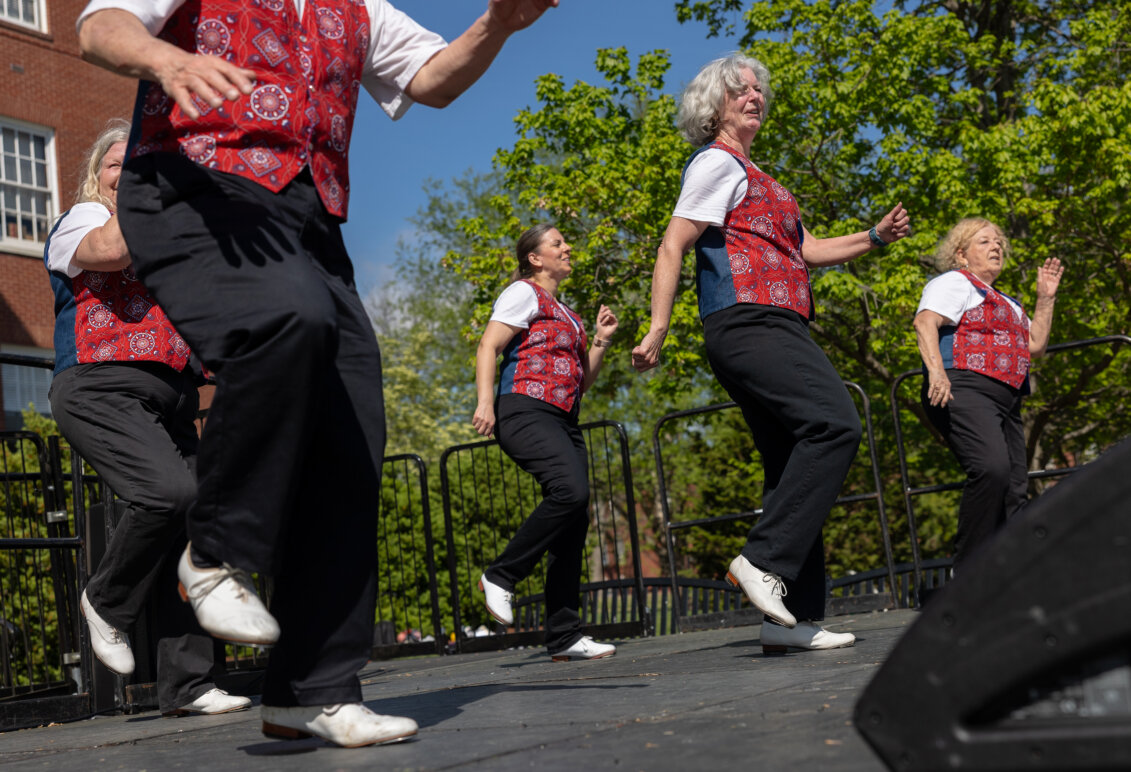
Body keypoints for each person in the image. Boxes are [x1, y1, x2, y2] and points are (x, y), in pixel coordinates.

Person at [76, 0, 560, 747]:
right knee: (287, 317)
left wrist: (496, 22)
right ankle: (215, 552)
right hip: (191, 185)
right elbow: (97, 26)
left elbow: (430, 78)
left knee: (351, 431)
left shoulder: (357, 7)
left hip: (305, 222)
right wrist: (165, 59)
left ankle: (312, 691)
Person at [632, 53, 910, 654]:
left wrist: (875, 236)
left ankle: (791, 620)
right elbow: (673, 244)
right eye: (741, 90)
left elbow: (807, 250)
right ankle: (761, 559)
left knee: (790, 466)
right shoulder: (716, 163)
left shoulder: (759, 176)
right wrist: (658, 327)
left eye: (759, 89)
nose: (754, 95)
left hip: (777, 322)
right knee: (835, 424)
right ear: (715, 106)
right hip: (749, 321)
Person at [44, 123, 250, 718]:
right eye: (117, 165)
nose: (127, 173)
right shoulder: (81, 221)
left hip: (172, 396)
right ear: (97, 177)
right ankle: (106, 601)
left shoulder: (172, 244)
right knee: (167, 492)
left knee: (196, 528)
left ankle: (189, 685)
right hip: (100, 384)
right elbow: (111, 253)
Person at [472, 224, 619, 662]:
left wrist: (600, 341)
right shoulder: (523, 293)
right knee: (569, 491)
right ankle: (501, 576)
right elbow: (488, 346)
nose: (567, 247)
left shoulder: (567, 313)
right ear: (535, 258)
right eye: (557, 243)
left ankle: (565, 635)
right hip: (524, 410)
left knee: (574, 517)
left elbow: (581, 382)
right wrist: (486, 403)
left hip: (563, 418)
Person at [914, 218, 1062, 568]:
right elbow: (925, 322)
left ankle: (1014, 573)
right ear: (961, 255)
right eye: (984, 241)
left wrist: (1045, 299)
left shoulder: (1008, 303)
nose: (996, 246)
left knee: (1014, 489)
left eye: (998, 242)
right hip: (964, 387)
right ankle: (968, 572)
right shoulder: (955, 282)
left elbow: (1036, 345)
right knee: (991, 469)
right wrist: (936, 372)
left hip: (1006, 399)